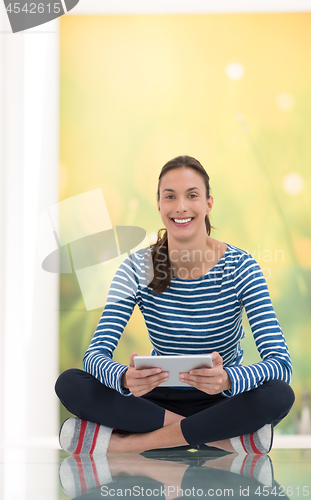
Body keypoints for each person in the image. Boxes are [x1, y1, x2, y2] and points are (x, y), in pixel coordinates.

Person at [55, 155, 295, 455]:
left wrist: (228, 379)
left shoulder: (242, 267)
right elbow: (95, 355)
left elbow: (280, 365)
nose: (180, 206)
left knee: (278, 395)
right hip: (157, 399)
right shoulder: (136, 268)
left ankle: (127, 446)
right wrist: (124, 378)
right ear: (159, 205)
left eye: (192, 195)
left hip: (220, 398)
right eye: (170, 197)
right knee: (69, 384)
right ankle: (219, 439)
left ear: (208, 203)